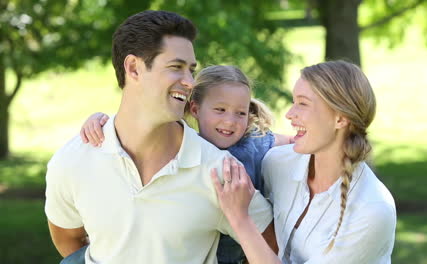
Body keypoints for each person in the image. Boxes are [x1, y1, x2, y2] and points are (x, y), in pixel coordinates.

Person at [45, 11, 274, 264]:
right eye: (176, 67)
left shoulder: (221, 172)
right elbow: (68, 239)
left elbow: (271, 248)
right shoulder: (73, 159)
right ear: (133, 68)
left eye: (191, 70)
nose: (190, 82)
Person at [79, 65, 292, 263]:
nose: (230, 121)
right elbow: (137, 124)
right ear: (195, 109)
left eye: (241, 113)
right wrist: (100, 120)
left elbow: (295, 141)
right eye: (220, 110)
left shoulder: (254, 143)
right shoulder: (183, 146)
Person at [211, 60, 397, 264]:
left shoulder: (372, 210)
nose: (290, 114)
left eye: (303, 103)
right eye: (293, 102)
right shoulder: (277, 164)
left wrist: (240, 219)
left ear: (340, 119)